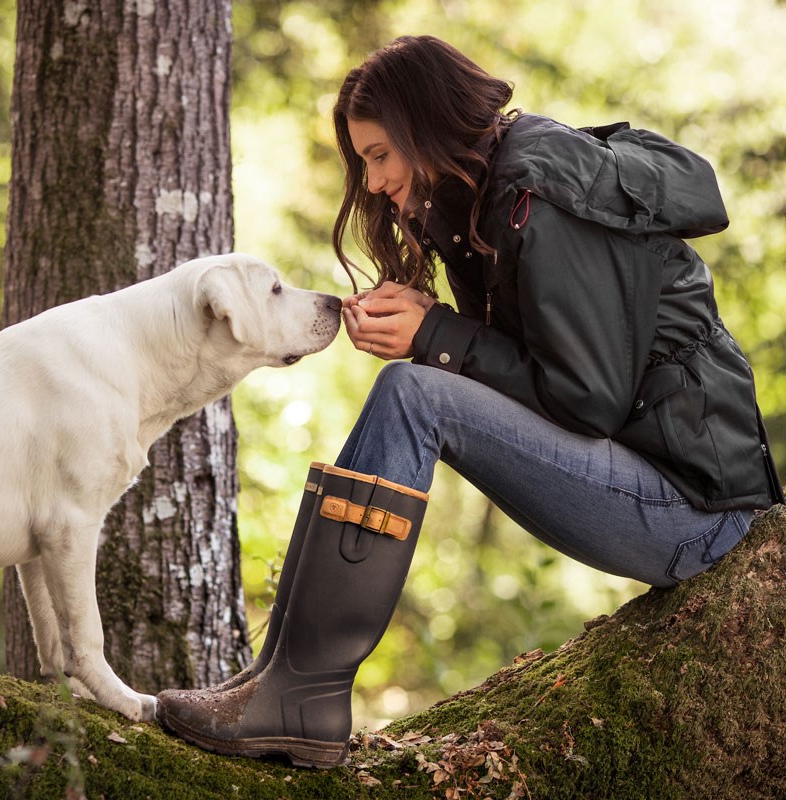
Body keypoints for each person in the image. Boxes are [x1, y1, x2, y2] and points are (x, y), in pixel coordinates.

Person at [156, 35, 784, 767]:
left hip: (694, 513)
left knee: (416, 394)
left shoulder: (538, 196)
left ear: (429, 126)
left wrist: (438, 337)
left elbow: (588, 401)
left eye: (382, 154)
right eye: (365, 161)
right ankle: (281, 680)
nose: (375, 180)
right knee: (415, 390)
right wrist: (433, 317)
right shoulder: (483, 196)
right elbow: (538, 354)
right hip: (649, 481)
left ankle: (299, 693)